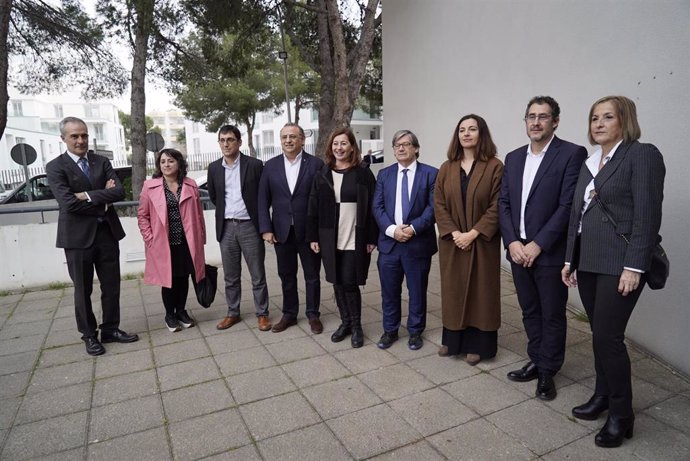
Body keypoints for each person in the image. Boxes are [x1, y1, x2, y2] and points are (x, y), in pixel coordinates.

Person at [561, 96, 665, 448]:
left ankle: (622, 415)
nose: (599, 123)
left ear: (625, 121)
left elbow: (647, 216)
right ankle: (602, 396)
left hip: (620, 264)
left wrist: (634, 266)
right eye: (594, 118)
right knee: (598, 333)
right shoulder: (591, 162)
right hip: (588, 262)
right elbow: (577, 217)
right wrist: (568, 260)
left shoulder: (641, 155)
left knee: (608, 337)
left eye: (608, 117)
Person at [498, 96, 587, 401]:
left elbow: (567, 206)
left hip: (547, 252)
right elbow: (504, 203)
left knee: (552, 314)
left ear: (555, 121)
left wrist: (538, 244)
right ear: (525, 122)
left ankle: (548, 371)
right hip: (518, 250)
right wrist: (512, 242)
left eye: (543, 117)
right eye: (531, 117)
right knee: (529, 310)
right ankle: (536, 358)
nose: (536, 122)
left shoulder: (571, 154)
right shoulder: (513, 158)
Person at [46, 116, 138, 355]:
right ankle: (89, 335)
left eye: (84, 135)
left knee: (111, 286)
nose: (80, 140)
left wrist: (85, 195)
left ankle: (110, 329)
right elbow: (68, 204)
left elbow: (118, 191)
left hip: (106, 234)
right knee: (82, 289)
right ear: (63, 138)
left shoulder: (100, 161)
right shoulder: (56, 167)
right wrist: (102, 201)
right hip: (77, 240)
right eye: (74, 136)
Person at [434, 114, 503, 365]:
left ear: (481, 134)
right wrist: (454, 233)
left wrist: (474, 233)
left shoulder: (495, 166)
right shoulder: (447, 167)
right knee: (453, 291)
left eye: (472, 129)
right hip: (453, 242)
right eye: (462, 129)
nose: (466, 133)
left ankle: (479, 346)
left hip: (482, 242)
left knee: (481, 293)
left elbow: (498, 204)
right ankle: (453, 342)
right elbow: (439, 203)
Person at [307, 127, 377, 348]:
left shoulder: (363, 173)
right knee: (337, 282)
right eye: (335, 144)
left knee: (350, 282)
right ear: (331, 147)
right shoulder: (323, 174)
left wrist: (371, 238)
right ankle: (345, 323)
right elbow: (313, 208)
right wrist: (313, 237)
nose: (339, 147)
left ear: (352, 147)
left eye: (343, 143)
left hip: (355, 236)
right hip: (329, 237)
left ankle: (356, 326)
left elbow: (373, 207)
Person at [372, 130, 438, 350]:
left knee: (417, 291)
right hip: (390, 245)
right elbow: (377, 207)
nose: (401, 148)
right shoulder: (384, 175)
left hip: (417, 243)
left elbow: (433, 207)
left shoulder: (431, 174)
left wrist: (413, 228)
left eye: (406, 144)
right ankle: (390, 330)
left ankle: (415, 332)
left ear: (416, 148)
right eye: (397, 145)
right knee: (389, 291)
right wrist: (392, 230)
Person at [258, 123, 324, 334]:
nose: (288, 140)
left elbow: (323, 201)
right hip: (281, 232)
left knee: (312, 275)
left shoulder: (316, 164)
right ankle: (289, 314)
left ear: (302, 139)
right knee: (287, 275)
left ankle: (313, 314)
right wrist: (266, 229)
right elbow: (262, 200)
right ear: (281, 141)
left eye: (293, 137)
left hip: (309, 232)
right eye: (284, 137)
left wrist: (320, 232)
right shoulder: (270, 166)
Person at [207, 125, 271, 332]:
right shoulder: (214, 168)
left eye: (230, 140)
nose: (226, 144)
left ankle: (262, 314)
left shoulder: (254, 165)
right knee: (230, 276)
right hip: (226, 227)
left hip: (249, 227)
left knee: (257, 274)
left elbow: (263, 197)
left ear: (239, 142)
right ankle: (232, 312)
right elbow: (216, 197)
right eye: (222, 140)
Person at [137, 149, 206, 332]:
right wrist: (150, 239)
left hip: (187, 242)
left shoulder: (190, 185)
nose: (166, 165)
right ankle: (170, 314)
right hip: (163, 243)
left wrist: (202, 238)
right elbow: (142, 216)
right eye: (163, 161)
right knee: (168, 281)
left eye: (170, 161)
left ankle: (181, 311)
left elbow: (198, 214)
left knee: (183, 278)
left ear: (179, 163)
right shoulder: (150, 187)